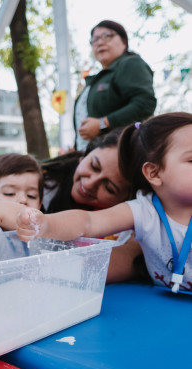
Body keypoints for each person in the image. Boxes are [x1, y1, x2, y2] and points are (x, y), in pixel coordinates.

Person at [16, 113, 192, 293]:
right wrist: (46, 223)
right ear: (153, 173)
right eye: (191, 160)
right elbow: (88, 221)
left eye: (109, 187)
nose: (90, 183)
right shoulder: (144, 211)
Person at [74, 20, 156, 151]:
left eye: (107, 36)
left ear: (124, 41)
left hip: (119, 153)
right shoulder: (96, 79)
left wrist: (102, 123)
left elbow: (145, 104)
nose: (100, 42)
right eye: (94, 39)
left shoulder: (131, 63)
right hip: (92, 154)